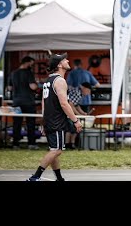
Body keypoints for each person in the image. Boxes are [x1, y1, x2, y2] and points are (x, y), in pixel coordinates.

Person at [27, 53, 83, 181]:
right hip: (57, 121)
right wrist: (76, 120)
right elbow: (64, 103)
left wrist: (43, 121)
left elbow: (43, 103)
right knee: (56, 150)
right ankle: (35, 177)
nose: (68, 60)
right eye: (65, 60)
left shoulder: (48, 81)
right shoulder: (60, 81)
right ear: (59, 65)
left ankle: (59, 178)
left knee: (54, 150)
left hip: (49, 120)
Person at [7, 56, 39, 150]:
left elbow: (9, 88)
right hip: (28, 101)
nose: (31, 66)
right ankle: (31, 144)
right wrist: (37, 85)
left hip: (16, 101)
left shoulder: (13, 73)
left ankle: (15, 144)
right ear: (27, 62)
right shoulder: (28, 73)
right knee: (30, 123)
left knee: (17, 123)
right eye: (31, 64)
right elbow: (33, 86)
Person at [65, 82, 93, 150]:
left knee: (72, 129)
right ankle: (68, 144)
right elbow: (70, 104)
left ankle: (70, 144)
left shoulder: (79, 93)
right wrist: (78, 114)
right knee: (71, 128)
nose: (88, 93)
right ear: (84, 88)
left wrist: (83, 113)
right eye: (88, 91)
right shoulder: (77, 92)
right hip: (66, 112)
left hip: (68, 112)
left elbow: (76, 105)